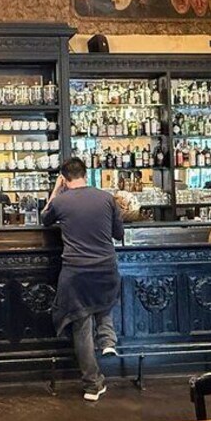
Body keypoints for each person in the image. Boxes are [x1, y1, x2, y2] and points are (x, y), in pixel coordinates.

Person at [41, 158, 124, 402]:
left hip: (77, 270)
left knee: (81, 326)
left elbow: (44, 219)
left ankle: (92, 385)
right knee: (103, 302)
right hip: (105, 267)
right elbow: (118, 233)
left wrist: (56, 190)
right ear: (85, 174)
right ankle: (107, 340)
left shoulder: (61, 201)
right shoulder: (106, 198)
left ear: (64, 178)